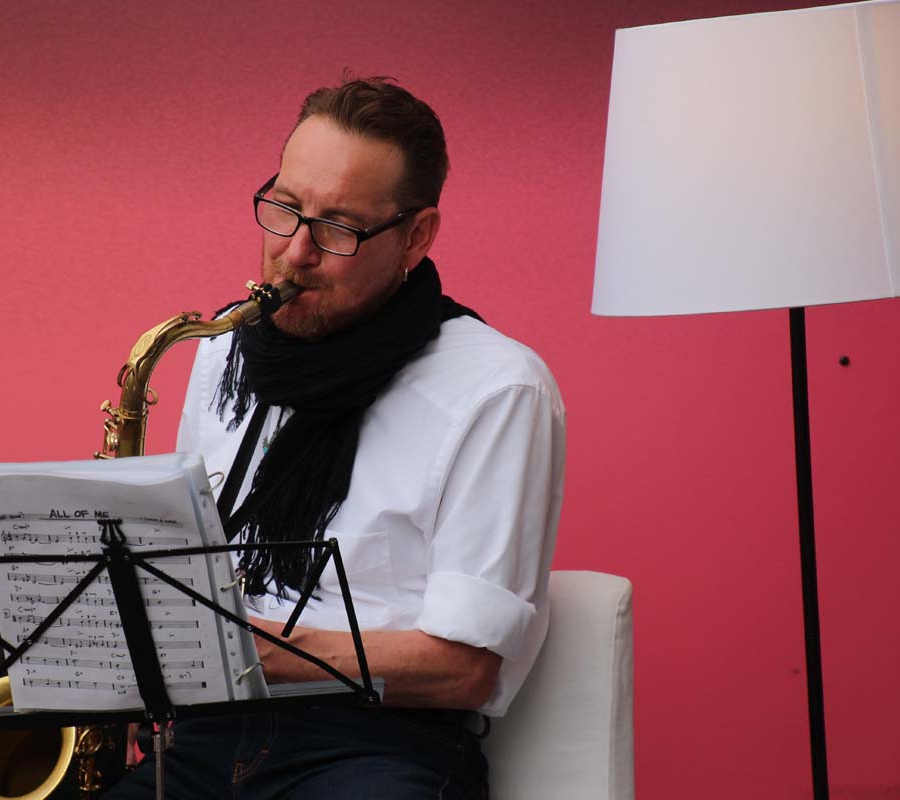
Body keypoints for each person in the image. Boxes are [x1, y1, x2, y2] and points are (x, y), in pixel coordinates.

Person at [105, 77, 565, 799]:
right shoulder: (221, 352)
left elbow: (465, 669)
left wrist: (251, 651)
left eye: (339, 227)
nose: (295, 254)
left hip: (376, 747)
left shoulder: (498, 388)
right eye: (285, 209)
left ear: (416, 236)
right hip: (203, 739)